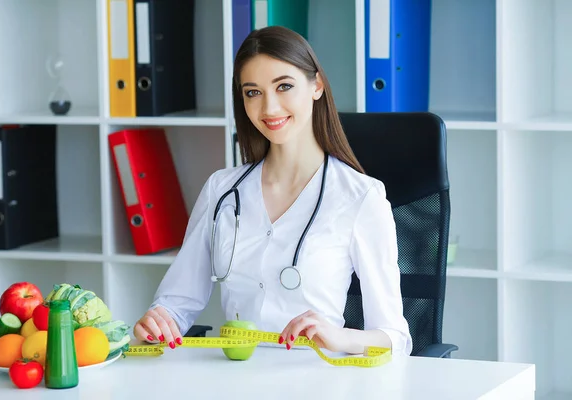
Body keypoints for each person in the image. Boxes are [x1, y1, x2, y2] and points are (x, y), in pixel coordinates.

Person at [133, 25, 413, 357]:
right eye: (253, 92)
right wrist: (157, 323)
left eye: (284, 86)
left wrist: (340, 337)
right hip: (235, 377)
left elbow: (395, 337)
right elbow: (175, 305)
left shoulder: (360, 197)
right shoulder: (221, 191)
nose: (269, 108)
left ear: (316, 86)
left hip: (315, 381)